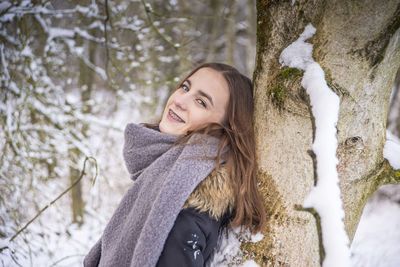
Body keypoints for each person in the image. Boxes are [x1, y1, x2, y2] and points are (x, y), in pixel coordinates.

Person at [83, 62, 266, 267]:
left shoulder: (185, 214)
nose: (180, 101)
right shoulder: (165, 177)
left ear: (226, 127)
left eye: (201, 102)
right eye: (185, 88)